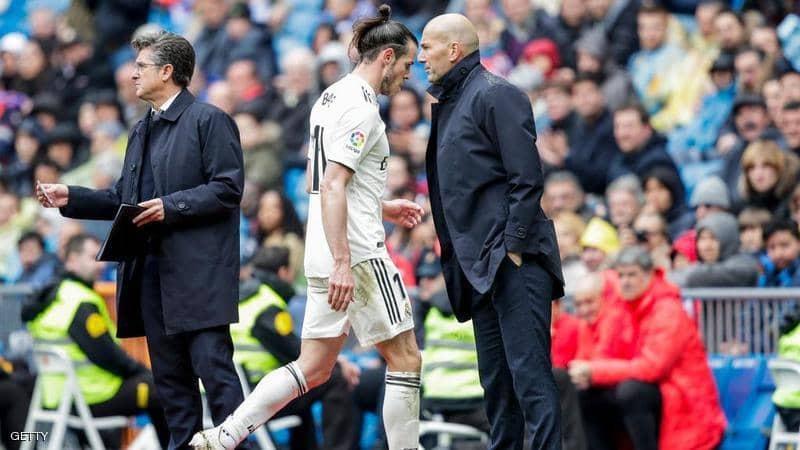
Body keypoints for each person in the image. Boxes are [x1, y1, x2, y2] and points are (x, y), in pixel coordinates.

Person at [190, 6, 424, 449]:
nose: (410, 74)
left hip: (322, 247)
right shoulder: (363, 109)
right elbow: (333, 183)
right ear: (387, 57)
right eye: (408, 64)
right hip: (356, 253)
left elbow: (326, 183)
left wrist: (383, 206)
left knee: (313, 367)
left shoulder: (329, 97)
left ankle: (225, 435)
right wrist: (343, 261)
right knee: (406, 358)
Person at [35, 31, 248, 448]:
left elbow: (228, 188)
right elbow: (123, 199)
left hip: (198, 277)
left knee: (215, 375)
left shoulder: (209, 120)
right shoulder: (140, 130)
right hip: (149, 275)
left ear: (167, 72)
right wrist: (71, 197)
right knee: (171, 387)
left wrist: (171, 205)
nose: (132, 75)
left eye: (141, 67)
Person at [420, 13, 564, 450]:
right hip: (478, 267)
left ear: (454, 50)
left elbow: (527, 177)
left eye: (427, 46)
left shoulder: (497, 94)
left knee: (531, 380)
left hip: (511, 261)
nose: (421, 56)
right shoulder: (453, 101)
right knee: (498, 388)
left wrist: (512, 246)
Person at [569, 246, 726, 450]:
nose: (625, 281)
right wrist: (589, 373)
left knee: (631, 391)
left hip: (682, 399)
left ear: (649, 274)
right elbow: (606, 354)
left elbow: (653, 368)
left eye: (632, 274)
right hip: (652, 396)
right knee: (586, 394)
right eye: (621, 275)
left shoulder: (667, 310)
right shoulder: (622, 308)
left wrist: (596, 371)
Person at [22, 234, 170, 448]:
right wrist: (143, 372)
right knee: (162, 389)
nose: (101, 265)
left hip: (58, 397)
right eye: (93, 257)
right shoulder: (80, 301)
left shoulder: (53, 297)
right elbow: (109, 356)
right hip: (90, 397)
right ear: (72, 260)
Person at [233, 246, 358, 450]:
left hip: (236, 392)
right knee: (333, 378)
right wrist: (337, 363)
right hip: (257, 396)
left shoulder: (242, 297)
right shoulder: (268, 305)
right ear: (284, 272)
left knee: (300, 387)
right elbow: (297, 354)